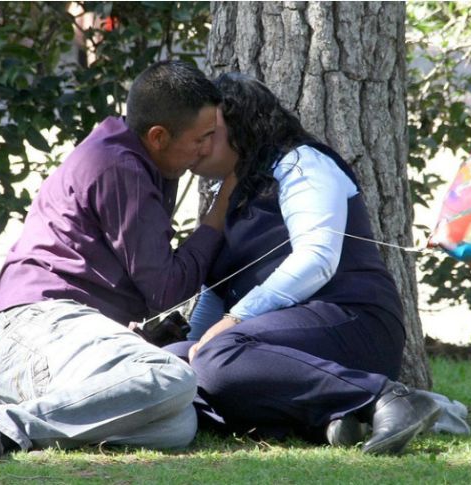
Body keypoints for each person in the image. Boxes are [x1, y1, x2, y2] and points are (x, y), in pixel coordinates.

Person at [0, 60, 237, 459]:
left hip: (42, 352)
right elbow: (165, 289)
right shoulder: (123, 168)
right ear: (158, 136)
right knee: (173, 376)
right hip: (35, 330)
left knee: (177, 425)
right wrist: (219, 212)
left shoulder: (129, 152)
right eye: (202, 138)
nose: (207, 150)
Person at [165, 73, 441, 455]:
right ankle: (328, 421)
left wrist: (233, 321)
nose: (197, 144)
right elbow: (215, 291)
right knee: (172, 364)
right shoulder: (234, 190)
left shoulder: (302, 163)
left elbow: (317, 259)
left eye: (208, 133)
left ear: (242, 127)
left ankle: (388, 398)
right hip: (276, 340)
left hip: (352, 320)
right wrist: (193, 344)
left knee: (219, 356)